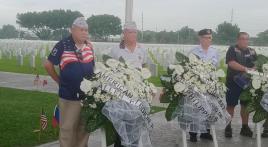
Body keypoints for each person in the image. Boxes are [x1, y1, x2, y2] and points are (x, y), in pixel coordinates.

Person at [44, 17, 94, 147]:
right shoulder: (62, 45)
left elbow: (92, 67)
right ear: (72, 30)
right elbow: (48, 65)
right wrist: (59, 81)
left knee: (84, 129)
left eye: (86, 30)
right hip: (69, 96)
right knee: (67, 129)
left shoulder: (89, 46)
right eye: (81, 30)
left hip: (87, 97)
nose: (84, 32)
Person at [110, 21, 148, 147]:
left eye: (135, 32)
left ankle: (134, 143)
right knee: (122, 121)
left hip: (137, 93)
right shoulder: (116, 50)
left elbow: (144, 67)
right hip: (121, 93)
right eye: (130, 32)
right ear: (124, 34)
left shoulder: (141, 49)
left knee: (136, 121)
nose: (133, 35)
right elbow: (110, 69)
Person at [188, 29, 219, 142]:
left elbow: (215, 68)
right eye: (206, 37)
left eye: (210, 37)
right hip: (197, 85)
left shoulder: (214, 51)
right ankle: (193, 133)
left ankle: (206, 131)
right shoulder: (193, 52)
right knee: (196, 108)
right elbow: (189, 69)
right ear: (200, 38)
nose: (208, 40)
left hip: (210, 85)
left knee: (210, 108)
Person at [224, 32, 257, 138]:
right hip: (233, 82)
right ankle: (228, 126)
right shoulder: (232, 49)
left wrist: (255, 68)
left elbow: (257, 64)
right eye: (242, 39)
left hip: (247, 83)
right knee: (231, 105)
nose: (245, 41)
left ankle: (245, 127)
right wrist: (246, 69)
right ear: (238, 40)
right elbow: (231, 63)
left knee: (245, 105)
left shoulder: (252, 51)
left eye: (247, 39)